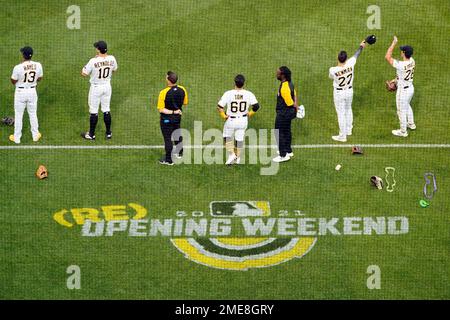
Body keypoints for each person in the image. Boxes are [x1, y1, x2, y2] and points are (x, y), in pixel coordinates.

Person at [329, 40, 367, 142]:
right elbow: (356, 54)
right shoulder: (350, 63)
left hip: (339, 93)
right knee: (348, 109)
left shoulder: (333, 70)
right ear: (346, 59)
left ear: (338, 58)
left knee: (341, 113)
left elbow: (331, 78)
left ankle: (342, 136)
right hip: (349, 91)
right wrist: (361, 46)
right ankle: (349, 129)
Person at [217, 74, 260, 165]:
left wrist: (223, 116)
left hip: (231, 121)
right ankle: (238, 157)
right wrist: (250, 113)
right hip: (243, 120)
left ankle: (232, 154)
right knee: (239, 139)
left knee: (226, 137)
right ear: (244, 83)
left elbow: (220, 106)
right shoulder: (249, 94)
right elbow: (256, 106)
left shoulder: (228, 93)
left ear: (234, 83)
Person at [81, 41, 118, 140]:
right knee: (106, 109)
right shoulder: (112, 59)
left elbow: (84, 73)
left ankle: (91, 134)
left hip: (96, 88)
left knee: (94, 111)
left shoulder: (93, 61)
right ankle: (108, 133)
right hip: (107, 86)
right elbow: (114, 70)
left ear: (98, 49)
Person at [9, 46, 43, 144]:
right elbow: (40, 78)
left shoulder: (18, 67)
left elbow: (13, 81)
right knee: (32, 113)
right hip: (32, 91)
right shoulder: (38, 65)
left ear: (23, 55)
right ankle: (35, 135)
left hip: (20, 92)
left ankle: (17, 138)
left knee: (19, 115)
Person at [385, 36, 416, 137]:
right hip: (410, 88)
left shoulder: (401, 65)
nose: (401, 51)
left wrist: (394, 43)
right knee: (407, 105)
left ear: (403, 53)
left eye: (402, 50)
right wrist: (394, 80)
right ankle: (411, 124)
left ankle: (403, 131)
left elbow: (387, 57)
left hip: (403, 91)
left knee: (401, 111)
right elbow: (402, 75)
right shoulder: (412, 61)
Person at [157, 71, 188, 165]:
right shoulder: (182, 89)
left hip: (166, 119)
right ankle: (180, 152)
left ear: (168, 80)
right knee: (177, 134)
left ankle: (169, 160)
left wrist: (172, 110)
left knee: (167, 138)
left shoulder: (163, 92)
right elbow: (185, 102)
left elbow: (161, 110)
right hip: (177, 117)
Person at [273, 66, 299, 163]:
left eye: (278, 73)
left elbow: (289, 103)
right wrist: (296, 107)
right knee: (287, 131)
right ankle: (288, 150)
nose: (276, 74)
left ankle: (283, 155)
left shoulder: (284, 88)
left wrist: (295, 107)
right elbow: (295, 95)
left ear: (282, 75)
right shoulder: (290, 83)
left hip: (284, 113)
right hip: (289, 112)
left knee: (278, 132)